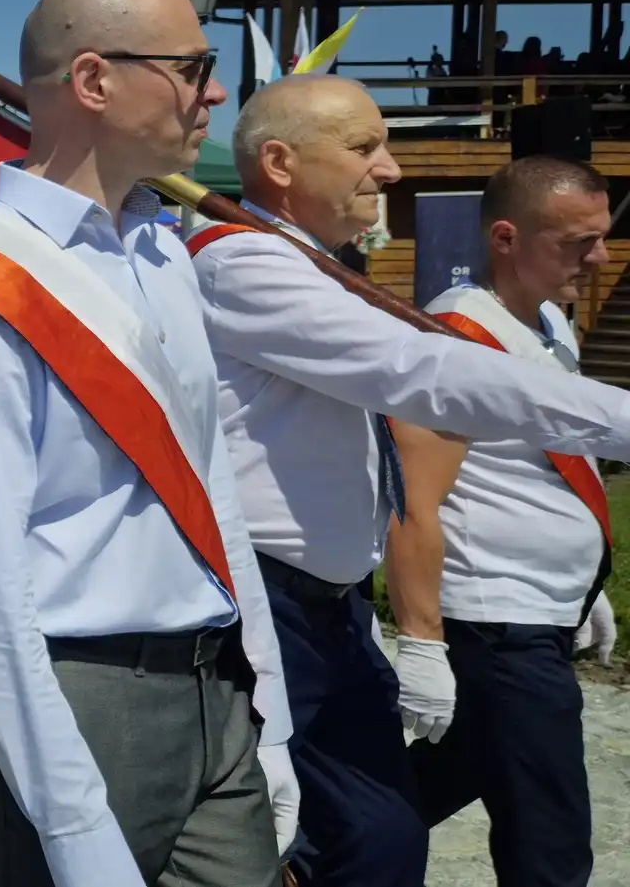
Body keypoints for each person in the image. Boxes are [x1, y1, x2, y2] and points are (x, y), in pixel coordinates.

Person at [191, 74, 630, 886]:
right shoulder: (245, 264)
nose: (389, 169)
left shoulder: (313, 266)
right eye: (364, 147)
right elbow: (420, 371)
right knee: (311, 840)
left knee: (380, 835)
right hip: (269, 605)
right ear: (280, 163)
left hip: (332, 610)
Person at [0, 0, 295, 886]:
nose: (214, 93)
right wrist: (74, 825)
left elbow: (214, 496)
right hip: (78, 701)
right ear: (93, 80)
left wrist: (270, 719)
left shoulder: (163, 250)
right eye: (193, 67)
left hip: (217, 686)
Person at [396, 156, 614, 886]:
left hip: (535, 613)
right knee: (550, 842)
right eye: (577, 242)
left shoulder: (548, 323)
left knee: (429, 785)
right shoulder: (459, 337)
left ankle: (305, 863)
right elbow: (416, 500)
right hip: (499, 623)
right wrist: (422, 643)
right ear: (506, 238)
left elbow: (550, 463)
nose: (599, 258)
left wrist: (583, 583)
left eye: (602, 238)